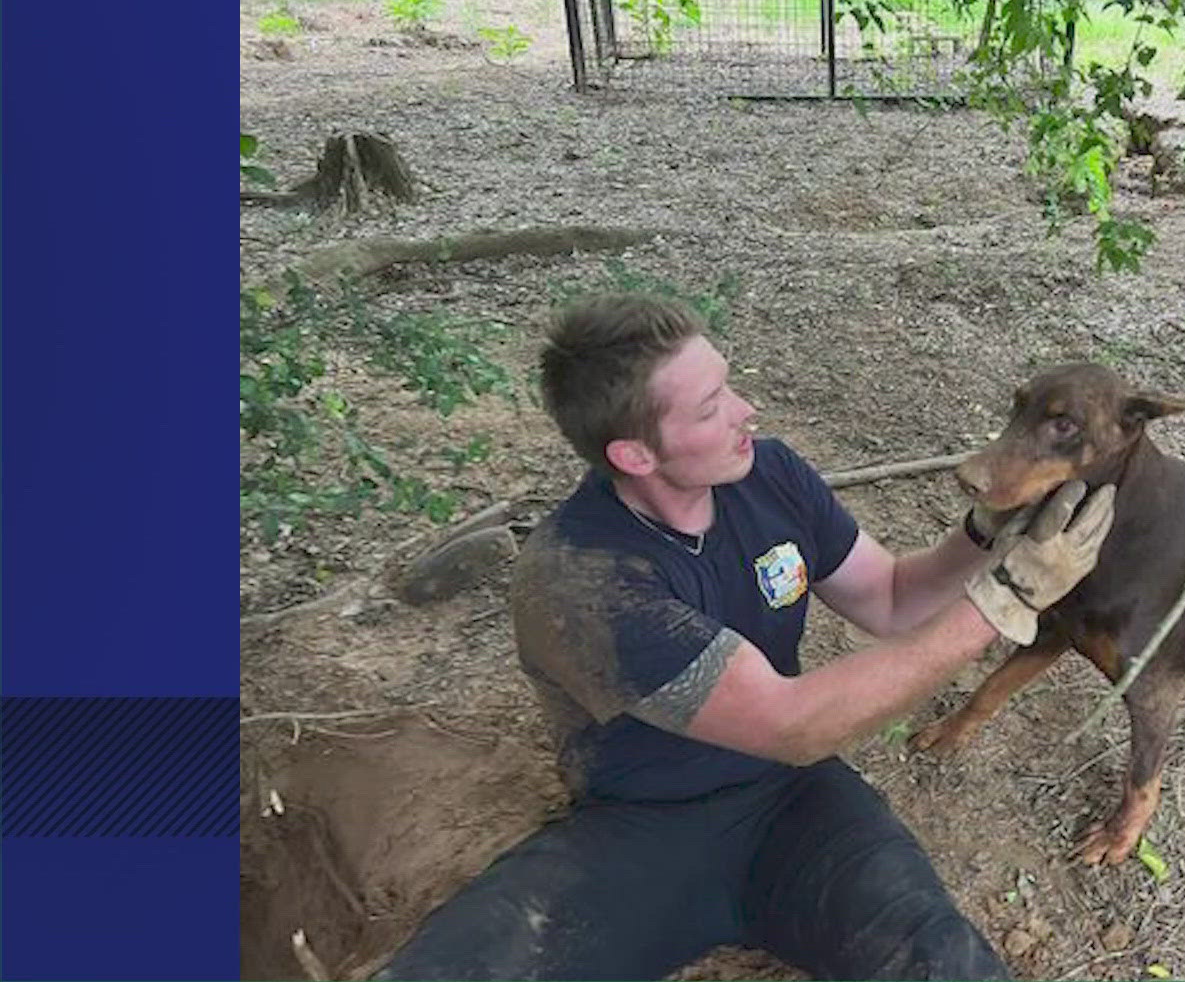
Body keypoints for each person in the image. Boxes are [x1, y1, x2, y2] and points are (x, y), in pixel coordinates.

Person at [378, 293, 1115, 981]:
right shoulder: (582, 578)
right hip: (646, 827)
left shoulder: (768, 474)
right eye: (710, 408)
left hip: (794, 806)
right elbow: (790, 724)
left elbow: (889, 598)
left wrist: (985, 536)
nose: (745, 411)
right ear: (634, 454)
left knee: (938, 956)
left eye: (728, 386)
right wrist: (1003, 601)